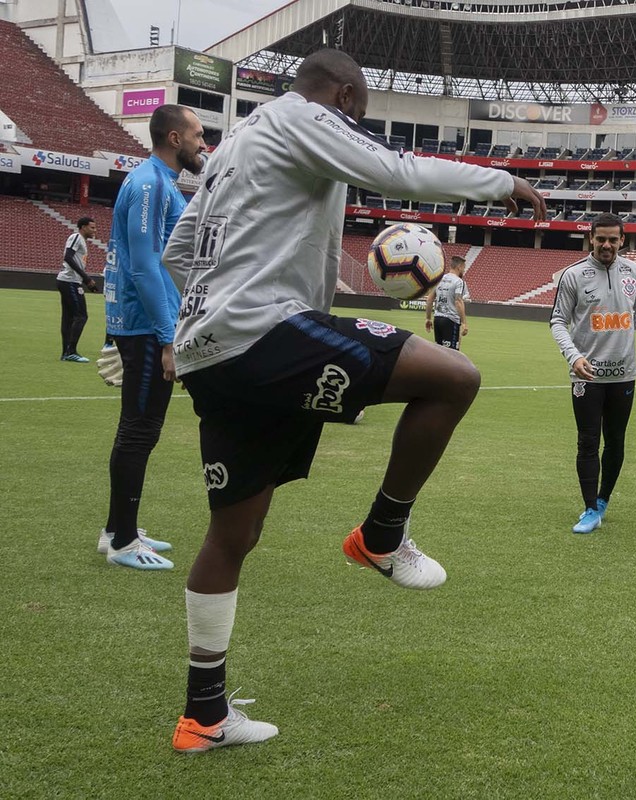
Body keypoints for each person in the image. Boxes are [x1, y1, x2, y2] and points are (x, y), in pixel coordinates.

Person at [161, 49, 545, 753]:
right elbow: (393, 170)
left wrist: (197, 322)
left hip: (211, 352)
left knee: (232, 536)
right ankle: (381, 535)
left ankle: (203, 715)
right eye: (358, 111)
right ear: (344, 94)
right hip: (261, 332)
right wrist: (500, 181)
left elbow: (179, 250)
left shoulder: (229, 152)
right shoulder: (301, 116)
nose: (356, 124)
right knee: (455, 376)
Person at [98, 104, 206, 568]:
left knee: (140, 430)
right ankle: (123, 542)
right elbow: (143, 266)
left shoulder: (161, 183)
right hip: (147, 327)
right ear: (175, 138)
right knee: (139, 431)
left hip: (151, 324)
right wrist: (167, 338)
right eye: (199, 134)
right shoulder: (148, 184)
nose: (204, 143)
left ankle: (114, 529)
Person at [549, 212, 636, 534]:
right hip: (587, 376)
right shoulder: (573, 275)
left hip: (624, 374)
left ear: (622, 240)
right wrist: (573, 356)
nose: (607, 245)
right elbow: (557, 322)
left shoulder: (635, 273)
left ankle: (603, 499)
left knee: (616, 442)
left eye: (613, 239)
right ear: (591, 239)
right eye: (601, 239)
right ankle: (589, 508)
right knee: (587, 442)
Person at [56, 216, 99, 363]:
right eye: (92, 227)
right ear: (83, 227)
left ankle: (66, 353)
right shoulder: (76, 237)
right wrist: (86, 279)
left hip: (69, 281)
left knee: (68, 318)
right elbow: (68, 257)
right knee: (81, 316)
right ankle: (71, 351)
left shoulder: (82, 241)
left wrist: (85, 280)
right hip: (70, 282)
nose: (95, 230)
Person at [425, 254, 468, 349]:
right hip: (451, 320)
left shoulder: (439, 279)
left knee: (440, 353)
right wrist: (464, 322)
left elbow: (429, 299)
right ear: (459, 267)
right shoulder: (459, 282)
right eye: (463, 268)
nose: (464, 270)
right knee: (452, 354)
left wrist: (428, 318)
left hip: (437, 319)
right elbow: (458, 301)